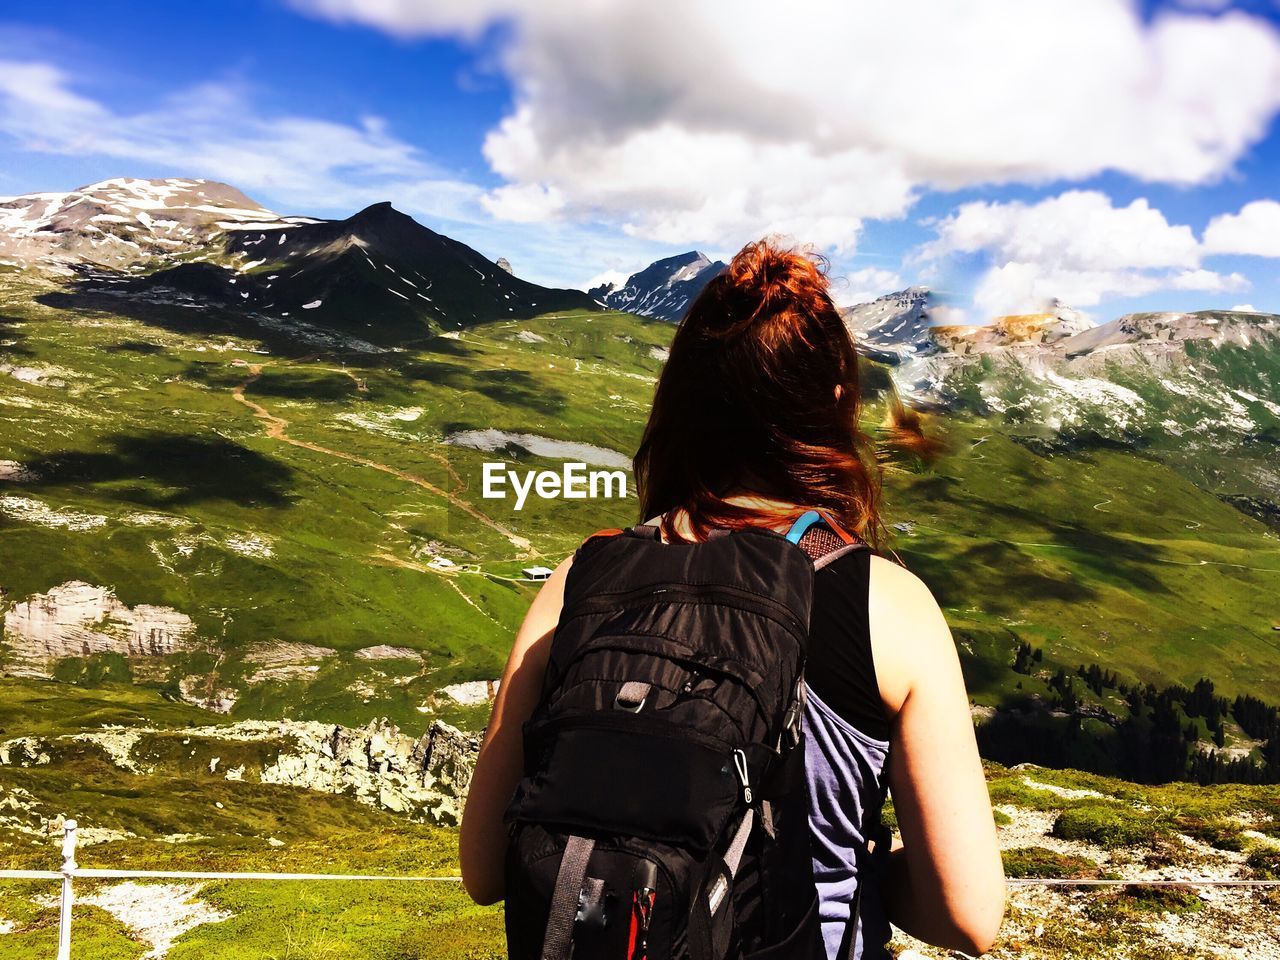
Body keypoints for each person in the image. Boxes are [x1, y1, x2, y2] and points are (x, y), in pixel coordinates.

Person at [460, 238, 1006, 958]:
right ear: (837, 403)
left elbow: (483, 868)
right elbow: (967, 915)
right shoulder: (889, 604)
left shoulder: (578, 580)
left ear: (684, 401)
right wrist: (853, 869)